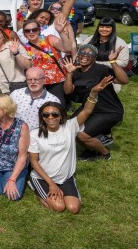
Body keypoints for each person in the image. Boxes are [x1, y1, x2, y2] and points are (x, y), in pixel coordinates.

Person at [28, 76, 112, 213]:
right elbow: (34, 161)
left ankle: (60, 191)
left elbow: (87, 111)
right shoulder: (35, 134)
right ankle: (36, 188)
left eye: (55, 114)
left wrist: (94, 92)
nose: (50, 118)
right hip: (43, 178)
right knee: (59, 207)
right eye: (46, 115)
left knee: (74, 208)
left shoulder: (70, 127)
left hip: (65, 177)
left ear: (61, 116)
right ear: (42, 117)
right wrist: (51, 184)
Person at [63, 44, 128, 160]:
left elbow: (124, 80)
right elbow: (68, 91)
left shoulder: (101, 69)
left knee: (82, 136)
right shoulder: (75, 71)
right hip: (88, 108)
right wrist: (69, 73)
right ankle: (91, 148)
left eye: (89, 54)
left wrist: (113, 61)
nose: (85, 55)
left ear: (95, 57)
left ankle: (104, 154)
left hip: (109, 111)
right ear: (78, 54)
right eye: (82, 52)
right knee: (69, 129)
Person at [21, 16, 74, 106]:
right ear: (24, 33)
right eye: (27, 31)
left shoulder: (49, 39)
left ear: (39, 30)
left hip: (56, 81)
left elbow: (67, 48)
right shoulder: (24, 48)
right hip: (37, 83)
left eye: (34, 29)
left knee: (57, 107)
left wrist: (61, 32)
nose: (31, 32)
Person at [0, 25, 31, 94]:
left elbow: (28, 66)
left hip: (12, 88)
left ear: (3, 35)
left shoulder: (14, 45)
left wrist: (16, 53)